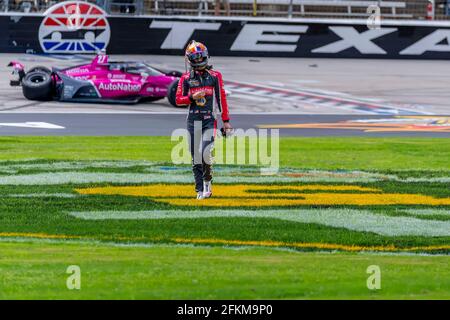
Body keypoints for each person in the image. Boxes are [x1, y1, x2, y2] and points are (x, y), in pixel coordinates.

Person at [176, 40, 232, 200]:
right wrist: (192, 97)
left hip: (209, 119)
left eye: (201, 57)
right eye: (196, 57)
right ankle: (199, 190)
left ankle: (208, 182)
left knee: (206, 152)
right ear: (190, 59)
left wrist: (226, 121)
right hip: (193, 119)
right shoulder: (185, 78)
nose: (199, 60)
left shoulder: (215, 76)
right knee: (195, 156)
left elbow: (222, 99)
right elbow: (178, 99)